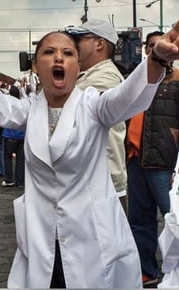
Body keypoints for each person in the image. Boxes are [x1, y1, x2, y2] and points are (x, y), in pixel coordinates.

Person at [0, 18, 179, 288]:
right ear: (36, 67)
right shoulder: (30, 109)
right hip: (41, 237)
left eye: (68, 53)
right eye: (49, 52)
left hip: (92, 238)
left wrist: (156, 60)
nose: (58, 57)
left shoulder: (95, 106)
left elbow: (129, 96)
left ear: (78, 67)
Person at [126, 30, 179, 287]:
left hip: (165, 164)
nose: (155, 49)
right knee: (139, 220)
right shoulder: (136, 80)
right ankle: (147, 271)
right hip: (136, 160)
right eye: (150, 46)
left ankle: (175, 275)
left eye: (160, 44)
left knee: (175, 222)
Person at [66, 19, 128, 212]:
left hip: (102, 186)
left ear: (99, 43)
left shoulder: (105, 78)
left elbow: (63, 105)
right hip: (87, 182)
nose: (72, 47)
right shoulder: (86, 76)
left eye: (78, 40)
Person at [1, 86, 25, 188]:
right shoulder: (23, 104)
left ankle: (9, 179)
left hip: (9, 134)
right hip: (21, 135)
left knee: (7, 158)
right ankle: (20, 182)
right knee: (20, 159)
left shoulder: (7, 105)